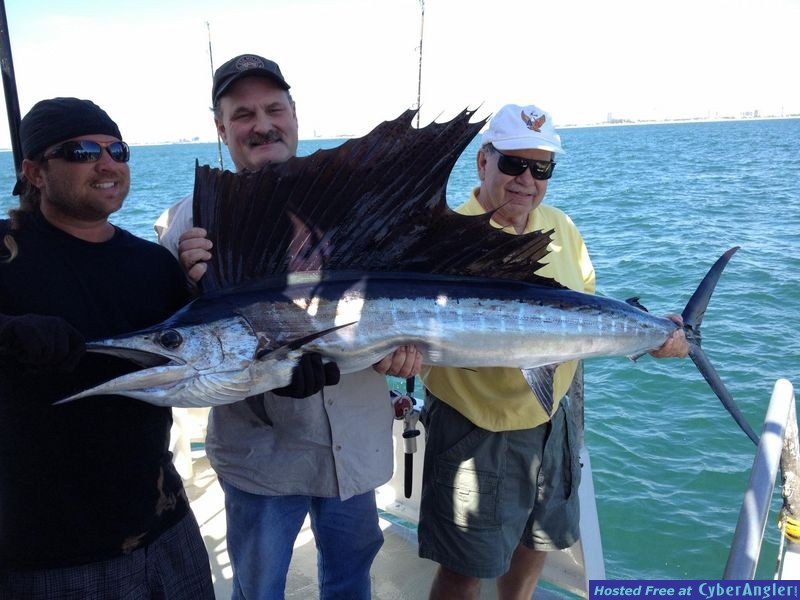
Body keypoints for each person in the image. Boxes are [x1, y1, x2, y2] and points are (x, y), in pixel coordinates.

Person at [154, 54, 421, 599]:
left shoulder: (355, 203)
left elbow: (415, 299)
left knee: (351, 579)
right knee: (259, 589)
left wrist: (410, 351)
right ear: (221, 129)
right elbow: (168, 332)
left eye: (274, 108)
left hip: (354, 446)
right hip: (262, 458)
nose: (262, 124)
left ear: (294, 114)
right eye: (243, 114)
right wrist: (183, 279)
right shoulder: (191, 219)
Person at [418, 103, 689, 600]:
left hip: (551, 420)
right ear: (483, 161)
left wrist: (654, 332)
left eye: (541, 168)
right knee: (465, 568)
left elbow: (585, 309)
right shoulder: (447, 236)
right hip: (474, 428)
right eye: (513, 164)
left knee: (538, 540)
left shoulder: (561, 226)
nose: (527, 179)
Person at [0, 98, 214, 598]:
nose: (107, 164)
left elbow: (206, 359)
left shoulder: (153, 265)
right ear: (34, 171)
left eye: (117, 149)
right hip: (47, 551)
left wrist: (289, 369)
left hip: (165, 526)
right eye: (80, 151)